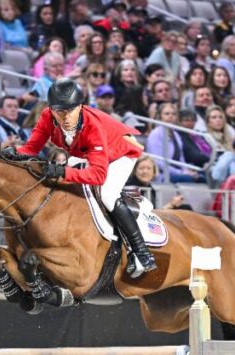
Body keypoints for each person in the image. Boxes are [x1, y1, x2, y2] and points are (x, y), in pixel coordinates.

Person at [15, 78, 154, 277]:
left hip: (121, 152)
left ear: (80, 106)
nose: (66, 117)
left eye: (71, 110)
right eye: (60, 111)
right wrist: (10, 153)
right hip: (87, 153)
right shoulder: (47, 117)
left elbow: (98, 175)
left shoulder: (92, 125)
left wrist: (63, 172)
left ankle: (142, 253)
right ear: (51, 109)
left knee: (107, 193)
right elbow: (30, 148)